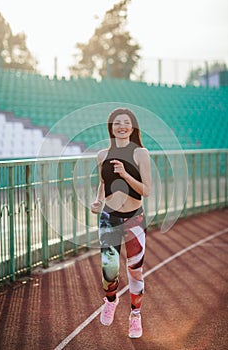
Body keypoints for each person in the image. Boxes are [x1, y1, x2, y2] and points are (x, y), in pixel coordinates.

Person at [91, 108, 151, 338]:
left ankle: (135, 315)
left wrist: (126, 175)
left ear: (133, 127)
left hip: (134, 219)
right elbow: (103, 183)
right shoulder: (101, 155)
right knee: (109, 270)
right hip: (109, 218)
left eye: (126, 123)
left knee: (135, 271)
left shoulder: (141, 153)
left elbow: (146, 190)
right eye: (117, 123)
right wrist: (97, 201)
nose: (122, 126)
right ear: (111, 127)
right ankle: (111, 301)